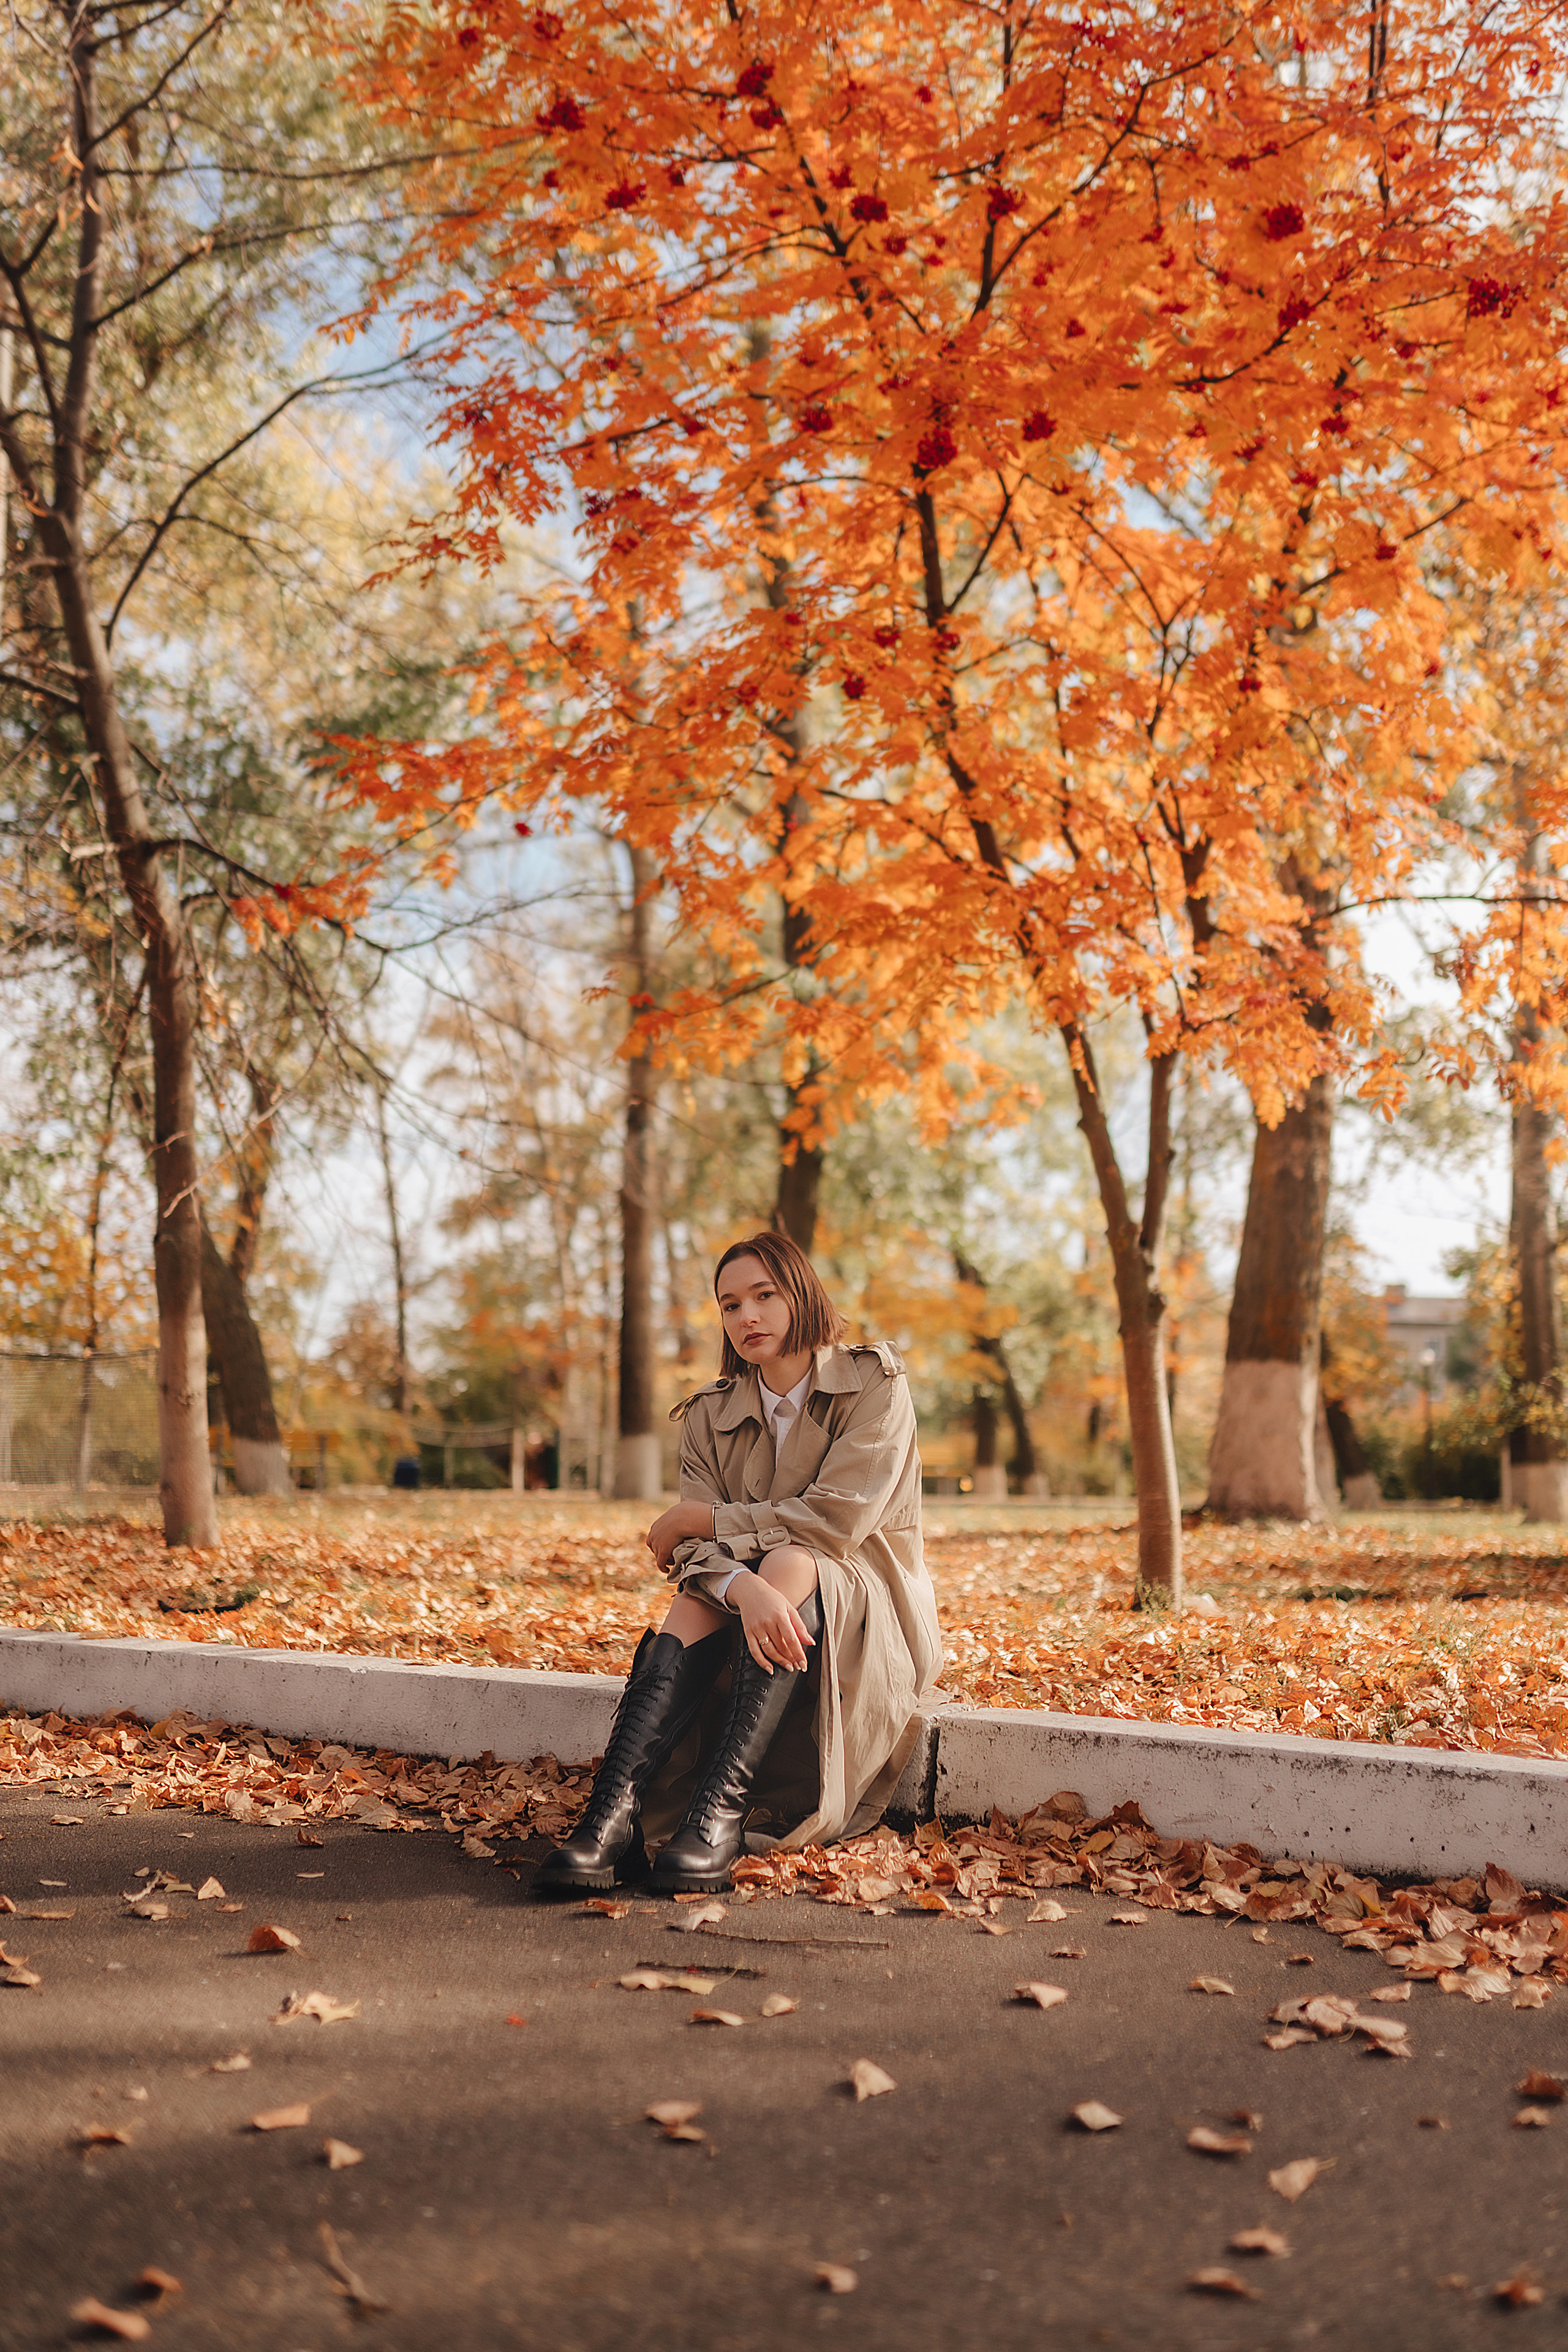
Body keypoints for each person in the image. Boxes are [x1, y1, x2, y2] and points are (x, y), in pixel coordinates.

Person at [537, 1231, 943, 1896]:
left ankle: (717, 1812)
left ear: (801, 1296)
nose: (746, 1317)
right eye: (729, 1305)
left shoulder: (874, 1384)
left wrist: (714, 1522)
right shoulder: (709, 1413)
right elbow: (689, 1553)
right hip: (763, 1597)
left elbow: (835, 1520)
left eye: (764, 1296)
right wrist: (742, 1587)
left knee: (792, 1558)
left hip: (869, 1601)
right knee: (706, 1591)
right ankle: (611, 1822)